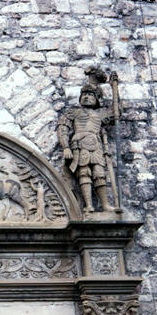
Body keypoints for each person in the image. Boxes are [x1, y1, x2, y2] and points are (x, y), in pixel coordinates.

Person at [57, 71, 115, 214]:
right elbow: (63, 128)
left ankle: (105, 205)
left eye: (91, 95)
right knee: (84, 173)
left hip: (96, 145)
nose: (87, 97)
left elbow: (116, 111)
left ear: (97, 100)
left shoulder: (101, 114)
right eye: (85, 95)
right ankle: (88, 205)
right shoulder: (74, 112)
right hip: (79, 145)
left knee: (99, 173)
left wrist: (115, 89)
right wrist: (66, 147)